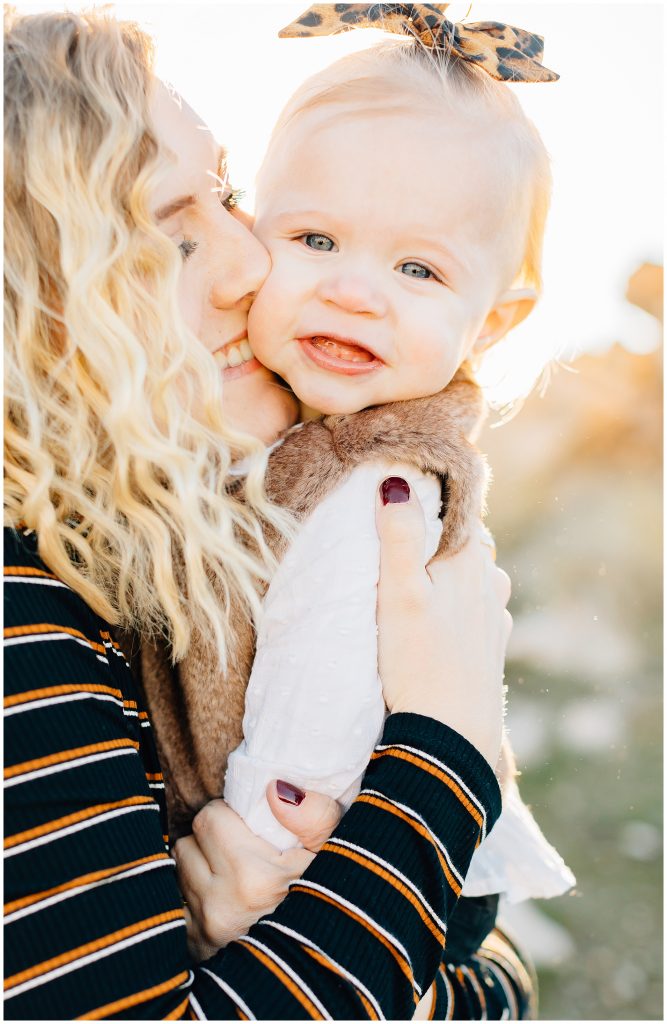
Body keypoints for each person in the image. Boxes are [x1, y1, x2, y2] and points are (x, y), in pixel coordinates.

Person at [4, 8, 529, 1020]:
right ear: (29, 300)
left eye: (229, 197)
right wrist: (441, 756)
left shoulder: (172, 544)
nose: (252, 265)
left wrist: (345, 929)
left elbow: (490, 983)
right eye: (169, 235)